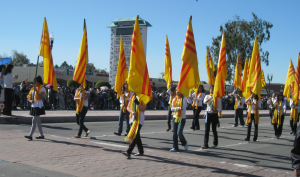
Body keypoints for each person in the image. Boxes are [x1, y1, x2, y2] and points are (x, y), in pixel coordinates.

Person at [121, 93, 146, 158]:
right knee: (137, 135)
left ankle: (128, 151)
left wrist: (138, 103)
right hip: (133, 118)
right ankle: (141, 151)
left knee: (135, 134)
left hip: (139, 118)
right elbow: (128, 107)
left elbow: (143, 109)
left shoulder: (143, 96)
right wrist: (132, 112)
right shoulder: (133, 96)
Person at [24, 76, 46, 140]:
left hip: (38, 106)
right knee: (38, 121)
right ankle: (41, 135)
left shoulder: (42, 88)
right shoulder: (32, 88)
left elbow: (40, 97)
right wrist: (30, 100)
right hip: (34, 106)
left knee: (34, 120)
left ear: (38, 82)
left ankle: (30, 135)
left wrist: (36, 91)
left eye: (36, 81)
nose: (35, 82)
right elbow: (29, 96)